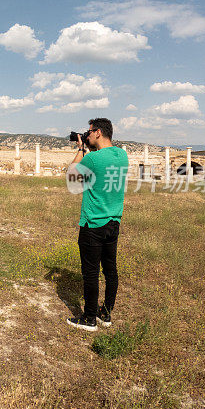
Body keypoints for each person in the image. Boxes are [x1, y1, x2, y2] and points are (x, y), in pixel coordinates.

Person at [65, 118, 128, 331]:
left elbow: (72, 180)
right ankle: (106, 313)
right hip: (114, 222)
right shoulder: (122, 155)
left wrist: (82, 149)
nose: (88, 134)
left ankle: (89, 319)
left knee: (90, 272)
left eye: (89, 132)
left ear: (98, 132)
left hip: (93, 224)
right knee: (110, 270)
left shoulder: (93, 159)